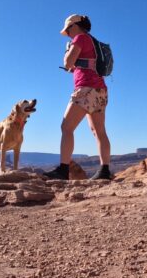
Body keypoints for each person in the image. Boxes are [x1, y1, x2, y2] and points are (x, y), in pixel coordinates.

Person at [44, 14, 112, 180]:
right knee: (99, 131)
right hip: (100, 90)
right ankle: (104, 170)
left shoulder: (80, 38)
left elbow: (68, 62)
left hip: (86, 89)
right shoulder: (92, 41)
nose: (67, 34)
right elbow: (86, 63)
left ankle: (63, 170)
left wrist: (68, 53)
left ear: (75, 26)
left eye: (68, 30)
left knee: (66, 128)